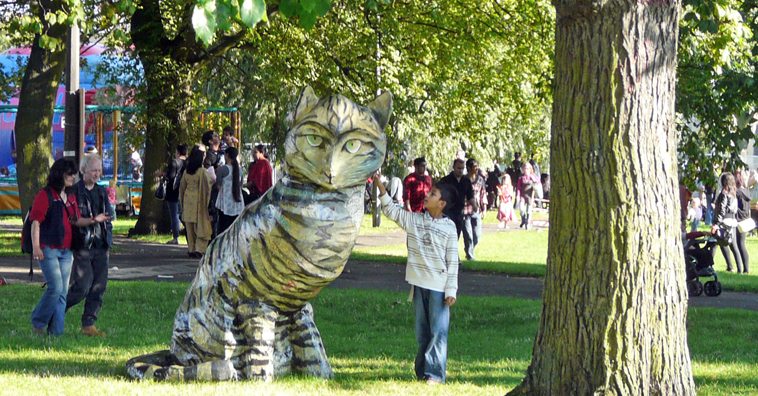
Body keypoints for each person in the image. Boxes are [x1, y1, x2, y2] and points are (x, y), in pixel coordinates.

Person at [373, 173, 458, 385]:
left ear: (442, 204)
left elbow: (452, 262)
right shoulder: (415, 220)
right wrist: (380, 187)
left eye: (433, 194)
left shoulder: (449, 228)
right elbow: (392, 211)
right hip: (419, 285)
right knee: (422, 333)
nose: (427, 196)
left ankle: (435, 374)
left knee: (438, 333)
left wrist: (451, 291)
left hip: (439, 288)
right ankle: (422, 371)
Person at [29, 158, 108, 336]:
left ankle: (56, 333)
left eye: (73, 174)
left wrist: (95, 220)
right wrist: (36, 247)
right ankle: (38, 322)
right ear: (60, 175)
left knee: (63, 292)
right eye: (69, 174)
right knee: (55, 288)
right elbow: (36, 222)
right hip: (48, 248)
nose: (73, 177)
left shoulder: (70, 196)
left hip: (66, 251)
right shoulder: (46, 195)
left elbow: (77, 220)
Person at [66, 153, 115, 338]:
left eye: (99, 170)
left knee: (99, 286)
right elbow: (73, 220)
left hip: (101, 245)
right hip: (82, 245)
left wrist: (107, 229)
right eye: (93, 170)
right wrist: (94, 220)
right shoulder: (74, 192)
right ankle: (56, 310)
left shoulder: (102, 192)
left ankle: (89, 324)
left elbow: (108, 217)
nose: (97, 174)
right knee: (83, 286)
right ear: (83, 170)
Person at [180, 145, 214, 259]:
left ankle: (191, 248)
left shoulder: (186, 172)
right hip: (199, 200)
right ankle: (199, 248)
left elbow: (182, 187)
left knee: (189, 226)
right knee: (200, 225)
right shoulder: (202, 172)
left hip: (187, 198)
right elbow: (207, 186)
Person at [711, 172, 743, 273]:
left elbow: (722, 209)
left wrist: (716, 223)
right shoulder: (734, 193)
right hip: (733, 221)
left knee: (717, 242)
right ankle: (739, 269)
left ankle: (710, 265)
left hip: (725, 221)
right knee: (734, 247)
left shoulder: (724, 193)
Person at [438, 159, 476, 239]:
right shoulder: (446, 180)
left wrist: (474, 205)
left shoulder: (466, 181)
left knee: (456, 236)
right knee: (447, 236)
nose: (461, 171)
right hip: (447, 213)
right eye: (459, 168)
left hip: (459, 213)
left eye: (462, 168)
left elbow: (470, 195)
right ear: (454, 167)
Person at [159, 144, 188, 245]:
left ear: (178, 152)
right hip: (185, 191)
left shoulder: (174, 162)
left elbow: (171, 176)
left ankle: (176, 237)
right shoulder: (188, 163)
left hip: (173, 192)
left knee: (174, 215)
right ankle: (190, 231)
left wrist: (163, 174)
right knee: (183, 214)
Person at [461, 159, 487, 261]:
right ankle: (470, 256)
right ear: (469, 168)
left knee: (477, 235)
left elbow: (483, 194)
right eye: (474, 167)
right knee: (468, 235)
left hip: (476, 211)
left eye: (477, 166)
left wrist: (484, 209)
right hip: (465, 211)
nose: (476, 169)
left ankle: (469, 249)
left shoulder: (480, 179)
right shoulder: (463, 180)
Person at [215, 147, 245, 235]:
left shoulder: (222, 169)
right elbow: (241, 186)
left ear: (227, 155)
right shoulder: (240, 171)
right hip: (237, 203)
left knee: (223, 230)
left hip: (225, 203)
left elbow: (218, 186)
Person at [735, 170, 751, 274]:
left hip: (739, 220)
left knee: (740, 244)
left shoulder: (737, 193)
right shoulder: (747, 192)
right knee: (742, 244)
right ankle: (746, 268)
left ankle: (745, 268)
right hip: (746, 219)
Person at [515, 162, 538, 229]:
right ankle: (523, 220)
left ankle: (527, 224)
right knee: (521, 209)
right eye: (525, 169)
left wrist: (535, 186)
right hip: (523, 195)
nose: (526, 170)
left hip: (530, 196)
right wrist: (518, 195)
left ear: (530, 169)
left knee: (529, 211)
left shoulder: (532, 177)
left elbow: (537, 184)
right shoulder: (521, 177)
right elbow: (518, 187)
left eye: (527, 169)